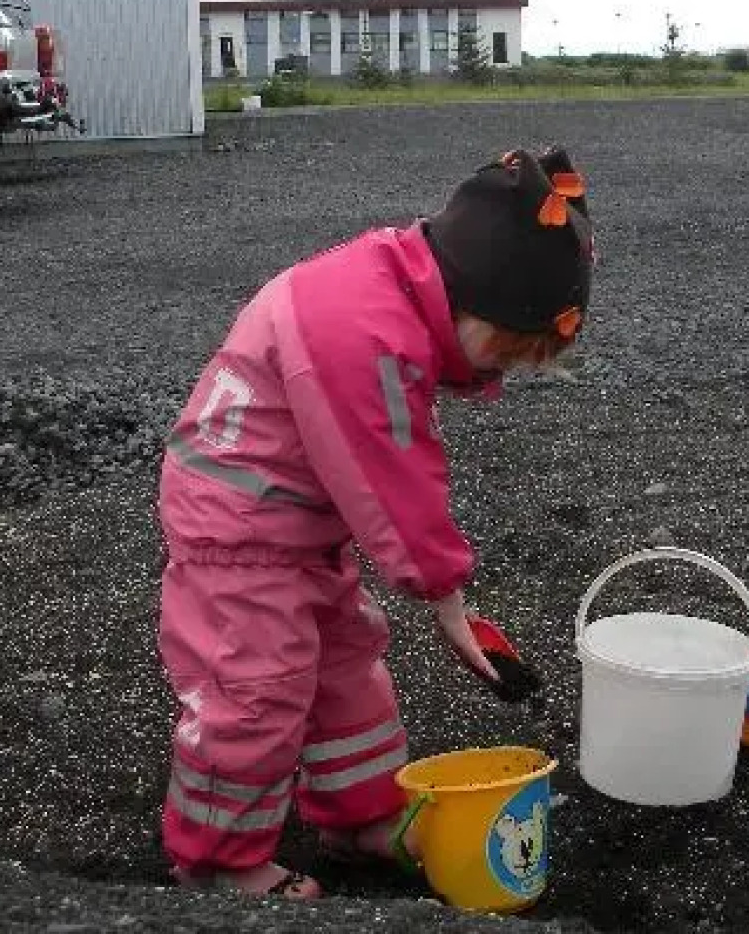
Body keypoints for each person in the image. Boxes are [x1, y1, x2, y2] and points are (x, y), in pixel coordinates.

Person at [156, 147, 594, 900]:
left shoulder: (397, 285)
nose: (493, 376)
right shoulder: (364, 333)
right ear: (469, 293)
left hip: (299, 523)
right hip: (236, 529)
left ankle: (360, 814)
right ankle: (217, 863)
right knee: (257, 689)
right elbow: (394, 475)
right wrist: (446, 596)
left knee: (345, 665)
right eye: (502, 352)